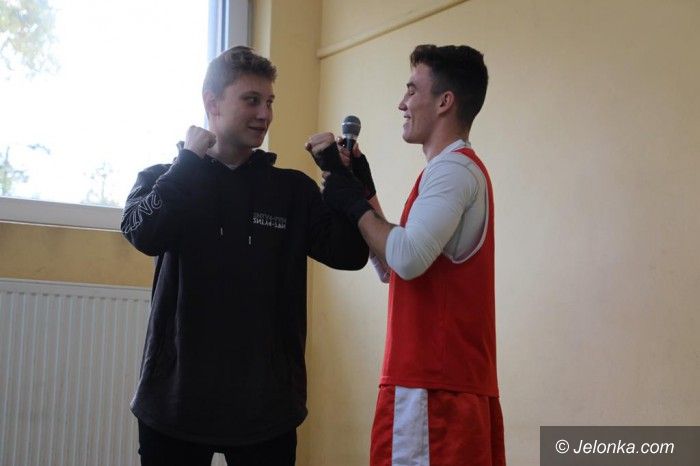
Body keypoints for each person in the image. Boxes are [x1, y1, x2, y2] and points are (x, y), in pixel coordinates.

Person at [121, 46, 368, 466]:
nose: (264, 114)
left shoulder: (292, 191)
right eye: (251, 100)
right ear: (212, 103)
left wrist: (339, 172)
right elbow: (143, 233)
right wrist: (187, 164)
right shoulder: (166, 178)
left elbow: (351, 253)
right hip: (175, 402)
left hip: (267, 408)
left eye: (269, 101)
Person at [306, 44, 505, 465]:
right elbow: (391, 265)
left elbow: (407, 258)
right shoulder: (447, 171)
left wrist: (352, 203)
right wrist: (364, 192)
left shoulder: (453, 171)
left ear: (445, 101)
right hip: (439, 384)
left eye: (412, 90)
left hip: (433, 388)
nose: (402, 103)